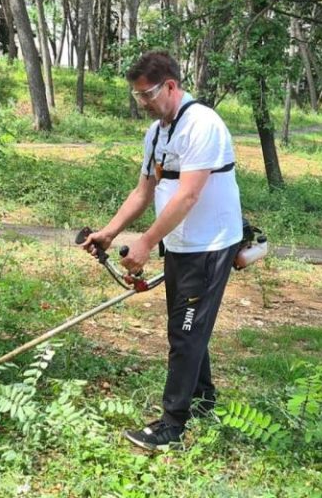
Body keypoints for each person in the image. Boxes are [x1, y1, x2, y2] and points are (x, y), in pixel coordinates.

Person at [82, 50, 242, 451]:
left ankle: (172, 424)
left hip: (209, 246)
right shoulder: (156, 133)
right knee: (188, 325)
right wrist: (110, 231)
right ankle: (204, 401)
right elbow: (143, 191)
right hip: (179, 245)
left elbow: (188, 195)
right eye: (137, 96)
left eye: (148, 94)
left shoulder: (202, 124)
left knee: (185, 332)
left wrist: (146, 241)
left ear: (171, 85)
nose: (143, 103)